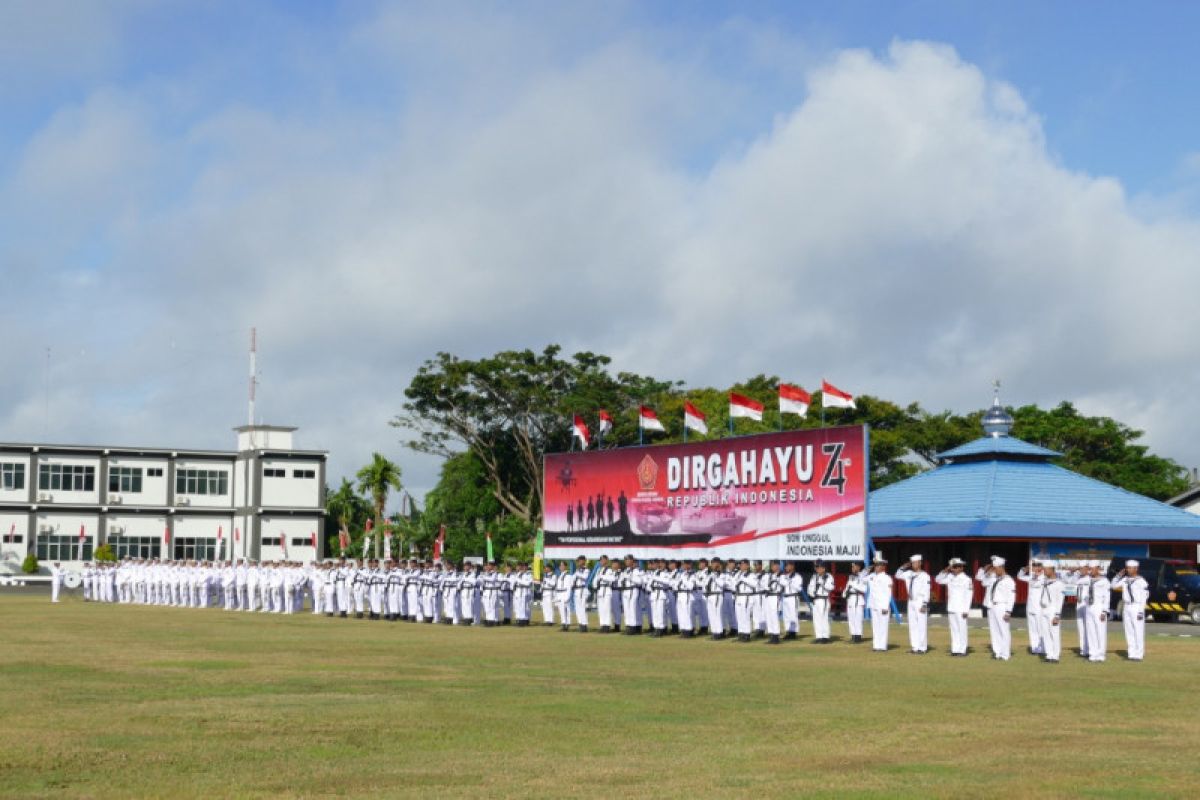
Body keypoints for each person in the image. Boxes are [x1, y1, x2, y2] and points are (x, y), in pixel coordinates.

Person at [1111, 559, 1149, 661]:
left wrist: (1141, 611)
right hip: (1126, 606)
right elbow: (1113, 585)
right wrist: (1118, 576)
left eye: (1130, 568)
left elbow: (1144, 597)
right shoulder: (1125, 579)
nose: (1128, 569)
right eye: (1127, 567)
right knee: (1129, 631)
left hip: (1137, 607)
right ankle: (1131, 653)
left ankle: (1139, 654)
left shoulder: (1141, 581)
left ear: (1136, 568)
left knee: (1138, 631)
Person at [935, 558, 974, 656]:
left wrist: (966, 610)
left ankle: (962, 650)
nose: (955, 569)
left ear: (961, 567)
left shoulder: (967, 579)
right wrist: (946, 570)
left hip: (961, 608)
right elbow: (938, 580)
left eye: (957, 567)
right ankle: (955, 649)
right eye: (953, 567)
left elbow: (969, 595)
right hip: (952, 607)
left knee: (962, 629)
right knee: (954, 630)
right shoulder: (950, 577)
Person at [895, 555, 930, 654]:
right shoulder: (908, 573)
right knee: (912, 625)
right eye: (912, 563)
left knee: (921, 624)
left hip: (920, 600)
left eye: (915, 562)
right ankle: (915, 647)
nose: (913, 564)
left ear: (920, 563)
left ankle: (922, 648)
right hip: (910, 601)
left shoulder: (925, 576)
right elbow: (897, 575)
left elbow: (926, 591)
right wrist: (904, 566)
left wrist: (924, 604)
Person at [983, 557, 1016, 660]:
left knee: (1004, 630)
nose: (994, 570)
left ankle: (1005, 654)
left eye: (996, 568)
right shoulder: (995, 579)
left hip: (1002, 606)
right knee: (994, 630)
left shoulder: (1008, 580)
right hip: (992, 606)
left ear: (1001, 567)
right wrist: (987, 573)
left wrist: (1008, 611)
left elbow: (1011, 597)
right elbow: (984, 582)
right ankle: (997, 652)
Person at [1017, 560, 1046, 656]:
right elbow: (1019, 577)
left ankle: (1042, 647)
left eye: (1036, 566)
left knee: (1040, 628)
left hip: (1039, 607)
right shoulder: (1031, 577)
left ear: (1041, 568)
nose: (1034, 568)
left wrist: (1035, 577)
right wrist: (1024, 569)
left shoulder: (1044, 578)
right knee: (1032, 628)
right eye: (1033, 566)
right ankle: (1034, 648)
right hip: (1030, 606)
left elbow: (1036, 584)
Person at [1038, 561, 1065, 663]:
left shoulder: (1059, 583)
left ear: (1052, 569)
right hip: (1044, 608)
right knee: (1045, 633)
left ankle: (1055, 656)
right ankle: (1049, 654)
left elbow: (1060, 600)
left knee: (1054, 633)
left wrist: (1057, 615)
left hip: (1053, 609)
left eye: (1046, 569)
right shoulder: (1044, 581)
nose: (1044, 571)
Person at [865, 555, 893, 652]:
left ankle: (882, 646)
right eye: (875, 565)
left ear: (883, 567)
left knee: (883, 626)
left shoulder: (887, 578)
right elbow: (861, 579)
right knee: (875, 626)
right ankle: (876, 645)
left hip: (882, 606)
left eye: (877, 565)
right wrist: (866, 571)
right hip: (873, 604)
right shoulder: (872, 576)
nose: (875, 567)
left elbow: (888, 593)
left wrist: (885, 606)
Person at [1086, 561, 1111, 663]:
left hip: (1099, 607)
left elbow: (1107, 597)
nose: (1090, 570)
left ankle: (1101, 655)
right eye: (1089, 568)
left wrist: (1104, 611)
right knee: (1091, 632)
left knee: (1100, 632)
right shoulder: (1088, 580)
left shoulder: (1104, 581)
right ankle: (1093, 654)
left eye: (1092, 568)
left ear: (1097, 568)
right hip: (1089, 607)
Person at [807, 560, 834, 644]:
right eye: (816, 567)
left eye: (819, 567)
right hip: (816, 599)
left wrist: (822, 583)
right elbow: (809, 588)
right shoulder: (814, 577)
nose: (817, 569)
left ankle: (825, 636)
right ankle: (818, 636)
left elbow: (831, 587)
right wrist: (812, 593)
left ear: (823, 568)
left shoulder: (828, 576)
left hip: (824, 599)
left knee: (824, 618)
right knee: (816, 618)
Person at [733, 559, 757, 643]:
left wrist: (744, 579)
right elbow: (733, 584)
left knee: (745, 616)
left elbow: (754, 584)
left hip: (747, 596)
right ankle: (741, 633)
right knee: (739, 616)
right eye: (741, 565)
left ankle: (746, 634)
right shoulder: (738, 574)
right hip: (739, 596)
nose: (742, 566)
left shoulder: (751, 575)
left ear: (747, 566)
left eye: (743, 565)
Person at [843, 562, 867, 644]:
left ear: (859, 567)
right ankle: (853, 635)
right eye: (852, 567)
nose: (852, 568)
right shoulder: (851, 576)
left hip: (858, 598)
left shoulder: (863, 576)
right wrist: (844, 592)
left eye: (854, 567)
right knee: (851, 618)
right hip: (850, 599)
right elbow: (847, 586)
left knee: (858, 619)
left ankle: (858, 636)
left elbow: (864, 589)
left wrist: (853, 585)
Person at [703, 559, 727, 640]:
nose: (713, 565)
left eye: (714, 563)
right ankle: (714, 632)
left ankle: (719, 633)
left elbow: (722, 584)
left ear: (718, 564)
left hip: (717, 595)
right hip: (709, 595)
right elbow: (705, 584)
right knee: (711, 615)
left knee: (717, 614)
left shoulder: (722, 574)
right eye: (712, 563)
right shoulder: (710, 574)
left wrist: (715, 577)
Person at [595, 555, 618, 633]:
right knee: (601, 609)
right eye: (600, 560)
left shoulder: (609, 570)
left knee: (606, 609)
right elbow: (595, 580)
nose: (601, 561)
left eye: (602, 560)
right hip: (600, 590)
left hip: (607, 589)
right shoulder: (599, 570)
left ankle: (607, 626)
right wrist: (595, 584)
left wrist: (603, 577)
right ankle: (602, 625)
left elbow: (613, 579)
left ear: (606, 560)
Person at [762, 561, 783, 645]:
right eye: (773, 565)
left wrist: (777, 579)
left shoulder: (782, 575)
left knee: (774, 615)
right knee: (768, 615)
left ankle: (776, 635)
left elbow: (783, 584)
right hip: (767, 596)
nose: (774, 567)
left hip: (775, 596)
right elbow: (763, 584)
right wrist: (768, 587)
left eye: (776, 565)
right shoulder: (767, 575)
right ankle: (771, 634)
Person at [781, 561, 802, 640]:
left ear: (792, 566)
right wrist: (788, 581)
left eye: (788, 566)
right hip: (785, 596)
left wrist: (790, 582)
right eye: (786, 566)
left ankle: (793, 632)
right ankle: (788, 631)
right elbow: (782, 583)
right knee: (786, 615)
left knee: (793, 614)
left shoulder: (797, 576)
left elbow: (798, 588)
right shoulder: (784, 576)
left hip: (793, 597)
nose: (786, 567)